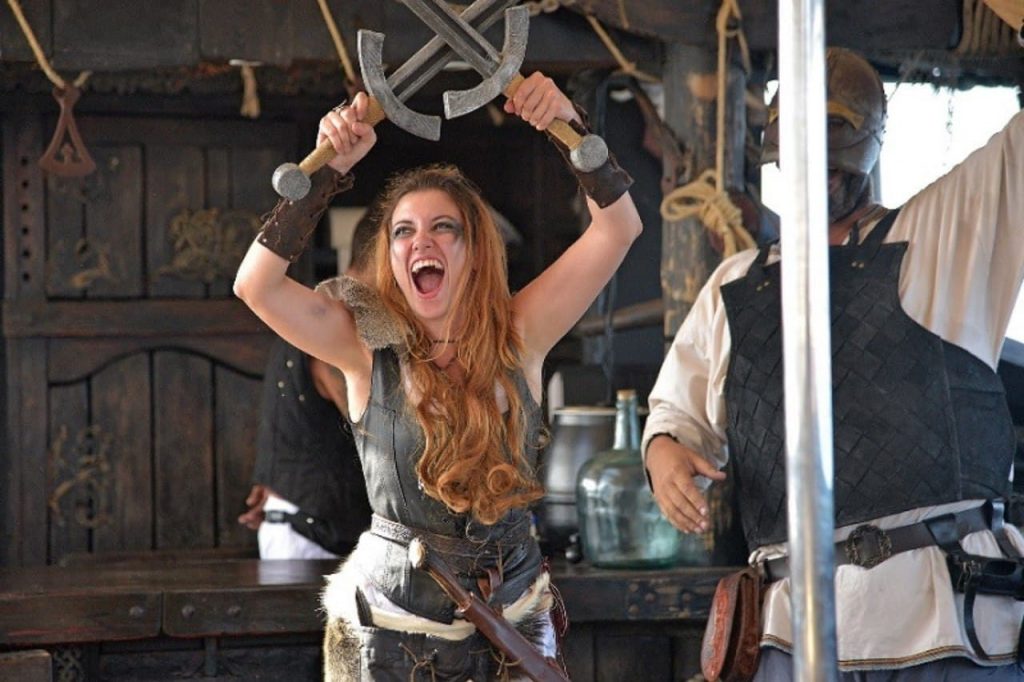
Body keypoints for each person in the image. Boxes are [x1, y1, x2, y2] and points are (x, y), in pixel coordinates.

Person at [233, 72, 641, 680]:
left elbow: (619, 227)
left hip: (513, 626)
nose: (420, 240)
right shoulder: (363, 348)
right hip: (391, 631)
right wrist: (324, 172)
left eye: (442, 227)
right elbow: (255, 285)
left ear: (472, 250)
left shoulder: (520, 333)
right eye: (404, 231)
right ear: (392, 258)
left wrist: (568, 128)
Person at [643, 47, 1024, 679]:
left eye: (831, 155)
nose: (814, 172)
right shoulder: (736, 286)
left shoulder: (940, 239)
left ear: (866, 145)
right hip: (795, 633)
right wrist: (665, 456)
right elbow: (676, 415)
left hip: (944, 619)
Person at [236, 215, 378, 560]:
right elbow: (375, 429)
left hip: (304, 525)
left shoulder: (323, 314)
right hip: (309, 536)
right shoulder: (336, 318)